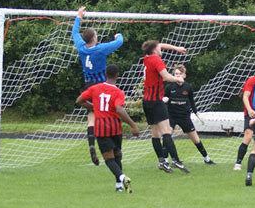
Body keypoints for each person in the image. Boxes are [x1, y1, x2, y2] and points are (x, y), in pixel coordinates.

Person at [72, 6, 124, 166]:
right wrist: (118, 34)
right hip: (102, 86)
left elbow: (74, 33)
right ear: (94, 38)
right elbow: (119, 42)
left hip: (88, 86)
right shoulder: (100, 49)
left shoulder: (81, 47)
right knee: (111, 114)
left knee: (91, 118)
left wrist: (78, 17)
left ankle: (91, 145)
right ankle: (116, 148)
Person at [76, 65, 139, 193]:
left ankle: (122, 178)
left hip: (101, 127)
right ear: (117, 76)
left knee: (109, 159)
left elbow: (79, 100)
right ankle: (119, 186)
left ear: (105, 74)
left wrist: (93, 107)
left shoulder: (95, 88)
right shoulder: (118, 92)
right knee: (117, 155)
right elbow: (119, 109)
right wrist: (133, 125)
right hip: (115, 127)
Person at [142, 40, 189, 173]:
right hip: (157, 101)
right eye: (159, 47)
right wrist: (178, 79)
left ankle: (162, 161)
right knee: (166, 132)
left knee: (155, 134)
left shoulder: (146, 58)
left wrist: (177, 48)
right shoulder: (156, 60)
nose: (161, 48)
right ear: (155, 50)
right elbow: (166, 77)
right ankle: (176, 160)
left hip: (147, 101)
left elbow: (160, 45)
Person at [163, 64, 215, 165]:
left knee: (196, 139)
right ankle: (165, 161)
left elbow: (191, 101)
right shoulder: (169, 87)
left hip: (184, 116)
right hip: (172, 116)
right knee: (167, 137)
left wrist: (196, 113)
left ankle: (207, 159)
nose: (177, 75)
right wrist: (164, 100)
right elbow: (164, 98)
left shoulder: (188, 87)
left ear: (184, 75)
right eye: (176, 74)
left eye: (179, 74)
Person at [234, 58, 255, 171]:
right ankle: (238, 163)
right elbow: (245, 96)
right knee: (248, 136)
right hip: (252, 113)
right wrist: (249, 110)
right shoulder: (253, 80)